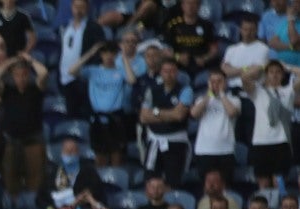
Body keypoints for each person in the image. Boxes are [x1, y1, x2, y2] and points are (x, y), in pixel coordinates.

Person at [68, 40, 136, 166]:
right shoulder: (93, 71)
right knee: (100, 155)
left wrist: (124, 57)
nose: (109, 56)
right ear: (101, 55)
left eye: (112, 53)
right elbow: (71, 71)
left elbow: (132, 80)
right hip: (98, 118)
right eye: (105, 53)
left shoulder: (120, 71)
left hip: (115, 118)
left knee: (116, 154)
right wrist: (91, 52)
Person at [0, 53, 48, 195]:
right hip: (11, 141)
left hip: (32, 141)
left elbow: (44, 73)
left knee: (36, 179)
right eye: (17, 75)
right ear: (12, 76)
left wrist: (31, 60)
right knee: (10, 180)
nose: (21, 78)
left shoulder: (36, 89)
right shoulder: (7, 90)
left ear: (28, 75)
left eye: (24, 75)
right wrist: (10, 61)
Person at [243, 60, 300, 192]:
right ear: (266, 74)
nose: (274, 75)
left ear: (282, 75)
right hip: (261, 142)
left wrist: (287, 67)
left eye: (278, 72)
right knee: (263, 182)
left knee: (278, 181)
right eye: (271, 72)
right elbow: (245, 77)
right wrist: (262, 66)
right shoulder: (258, 91)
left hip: (281, 142)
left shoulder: (288, 90)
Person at [139, 57, 194, 188]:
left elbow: (179, 115)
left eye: (172, 71)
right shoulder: (151, 90)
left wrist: (156, 112)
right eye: (165, 71)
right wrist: (169, 114)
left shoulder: (185, 90)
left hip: (175, 141)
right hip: (155, 140)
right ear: (160, 72)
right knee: (150, 181)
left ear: (177, 73)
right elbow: (143, 117)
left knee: (173, 182)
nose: (169, 74)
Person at [189, 70, 241, 184]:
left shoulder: (234, 100)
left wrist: (222, 94)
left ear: (225, 83)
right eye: (213, 81)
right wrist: (209, 95)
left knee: (226, 184)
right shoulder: (201, 100)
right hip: (204, 150)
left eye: (219, 81)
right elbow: (194, 113)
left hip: (225, 150)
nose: (216, 84)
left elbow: (232, 112)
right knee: (207, 185)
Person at [57, 0, 106, 120]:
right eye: (76, 7)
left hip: (83, 80)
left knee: (84, 117)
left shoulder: (93, 27)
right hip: (66, 79)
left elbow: (100, 51)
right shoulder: (65, 27)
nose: (78, 10)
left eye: (82, 7)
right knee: (70, 117)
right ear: (72, 7)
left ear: (87, 8)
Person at [39, 137, 103, 209]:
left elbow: (98, 194)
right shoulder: (53, 172)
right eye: (66, 151)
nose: (69, 154)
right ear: (61, 153)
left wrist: (84, 198)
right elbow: (41, 199)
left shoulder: (89, 171)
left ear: (78, 152)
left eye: (72, 151)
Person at [162, 0, 218, 78]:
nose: (190, 7)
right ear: (182, 6)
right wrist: (178, 57)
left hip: (201, 68)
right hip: (178, 68)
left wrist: (204, 58)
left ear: (198, 6)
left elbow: (214, 50)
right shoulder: (173, 25)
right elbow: (165, 51)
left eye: (193, 3)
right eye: (188, 3)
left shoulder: (206, 26)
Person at [222, 14, 270, 93]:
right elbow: (225, 72)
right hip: (231, 90)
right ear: (240, 30)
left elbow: (256, 74)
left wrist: (233, 70)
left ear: (257, 30)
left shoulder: (263, 49)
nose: (248, 33)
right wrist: (246, 68)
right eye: (245, 29)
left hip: (252, 91)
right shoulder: (231, 49)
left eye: (251, 30)